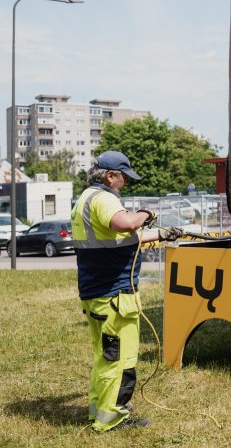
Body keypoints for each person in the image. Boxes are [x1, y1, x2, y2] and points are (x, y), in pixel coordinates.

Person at [71, 151, 159, 432]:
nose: (125, 184)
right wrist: (147, 212)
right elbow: (126, 224)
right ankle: (113, 419)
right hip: (114, 295)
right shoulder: (104, 198)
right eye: (123, 178)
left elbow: (119, 238)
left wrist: (162, 235)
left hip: (96, 293)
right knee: (120, 359)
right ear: (110, 176)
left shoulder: (85, 199)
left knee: (104, 357)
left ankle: (99, 409)